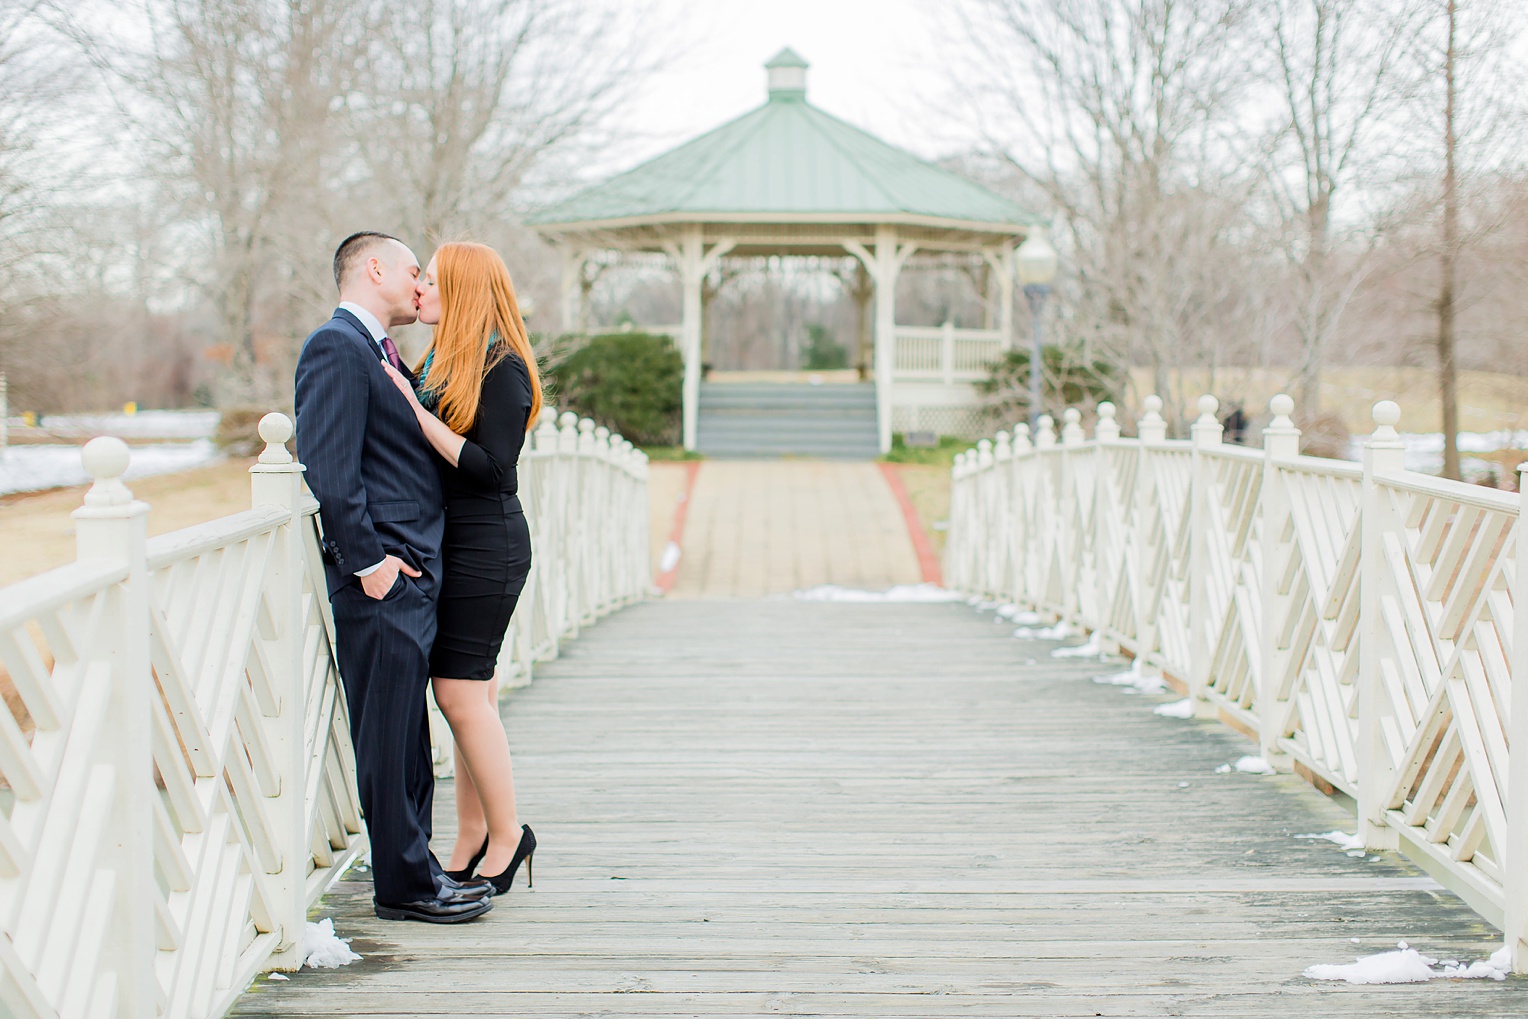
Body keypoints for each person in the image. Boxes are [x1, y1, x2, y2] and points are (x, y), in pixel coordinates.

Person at [294, 231, 493, 923]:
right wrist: (371, 565)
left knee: (410, 734)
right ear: (373, 268)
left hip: (414, 577)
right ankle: (403, 885)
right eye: (413, 271)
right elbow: (330, 468)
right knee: (386, 735)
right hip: (382, 580)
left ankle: (420, 866)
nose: (420, 285)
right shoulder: (336, 347)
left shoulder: (385, 354)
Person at [381, 241, 540, 896]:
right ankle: (470, 835)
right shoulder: (445, 360)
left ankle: (509, 835)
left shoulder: (503, 367)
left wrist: (415, 412)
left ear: (462, 291)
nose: (418, 288)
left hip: (487, 547)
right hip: (452, 544)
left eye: (430, 279)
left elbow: (492, 468)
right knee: (474, 694)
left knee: (457, 693)